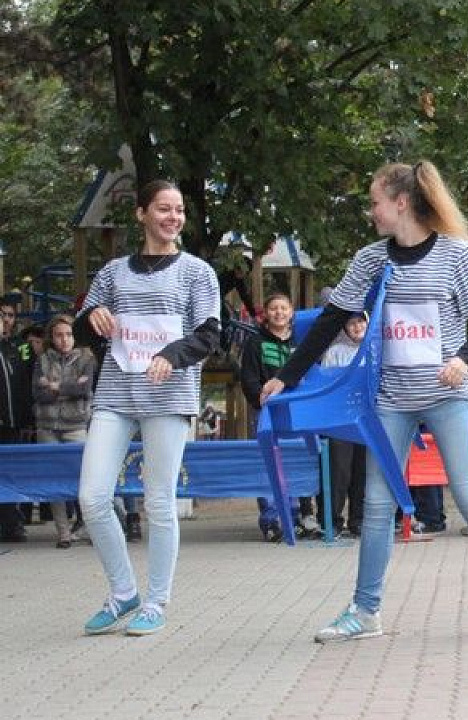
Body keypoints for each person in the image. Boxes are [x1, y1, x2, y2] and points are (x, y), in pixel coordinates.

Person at [262, 160, 468, 642]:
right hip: (391, 401)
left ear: (401, 203)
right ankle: (365, 611)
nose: (372, 212)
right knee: (376, 503)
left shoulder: (456, 255)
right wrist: (286, 377)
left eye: (375, 203)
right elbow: (331, 320)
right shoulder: (371, 260)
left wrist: (464, 358)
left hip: (448, 397)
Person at [74, 180, 221, 635]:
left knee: (159, 501)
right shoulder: (114, 272)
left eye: (178, 210)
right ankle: (123, 593)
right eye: (163, 209)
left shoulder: (198, 273)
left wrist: (170, 356)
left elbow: (209, 335)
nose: (173, 217)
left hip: (169, 396)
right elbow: (84, 329)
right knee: (93, 497)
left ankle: (156, 602)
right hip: (117, 396)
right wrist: (90, 320)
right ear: (142, 214)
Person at [240, 292, 320, 540]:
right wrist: (261, 398)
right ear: (266, 313)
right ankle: (272, 519)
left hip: (299, 411)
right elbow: (248, 378)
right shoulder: (255, 342)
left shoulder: (301, 341)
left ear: (291, 312)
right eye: (273, 308)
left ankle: (303, 516)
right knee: (269, 463)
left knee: (301, 459)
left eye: (284, 308)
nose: (279, 313)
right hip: (269, 412)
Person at [31, 315, 96, 548]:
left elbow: (84, 389)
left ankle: (88, 525)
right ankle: (63, 532)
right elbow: (39, 394)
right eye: (59, 335)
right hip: (48, 426)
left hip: (76, 424)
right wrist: (70, 387)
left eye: (68, 334)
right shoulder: (42, 359)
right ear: (52, 337)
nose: (64, 339)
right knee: (53, 480)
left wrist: (55, 385)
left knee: (84, 478)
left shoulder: (86, 358)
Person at [318, 312, 369, 537]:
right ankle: (332, 521)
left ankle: (357, 520)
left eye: (360, 321)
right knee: (339, 472)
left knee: (363, 472)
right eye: (351, 322)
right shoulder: (334, 352)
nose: (356, 326)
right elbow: (327, 386)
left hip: (367, 421)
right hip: (340, 421)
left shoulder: (377, 349)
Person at [0, 299, 32, 541]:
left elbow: (25, 383)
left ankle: (12, 524)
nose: (6, 321)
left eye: (9, 316)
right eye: (2, 316)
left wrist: (27, 419)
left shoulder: (18, 347)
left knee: (11, 474)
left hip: (13, 423)